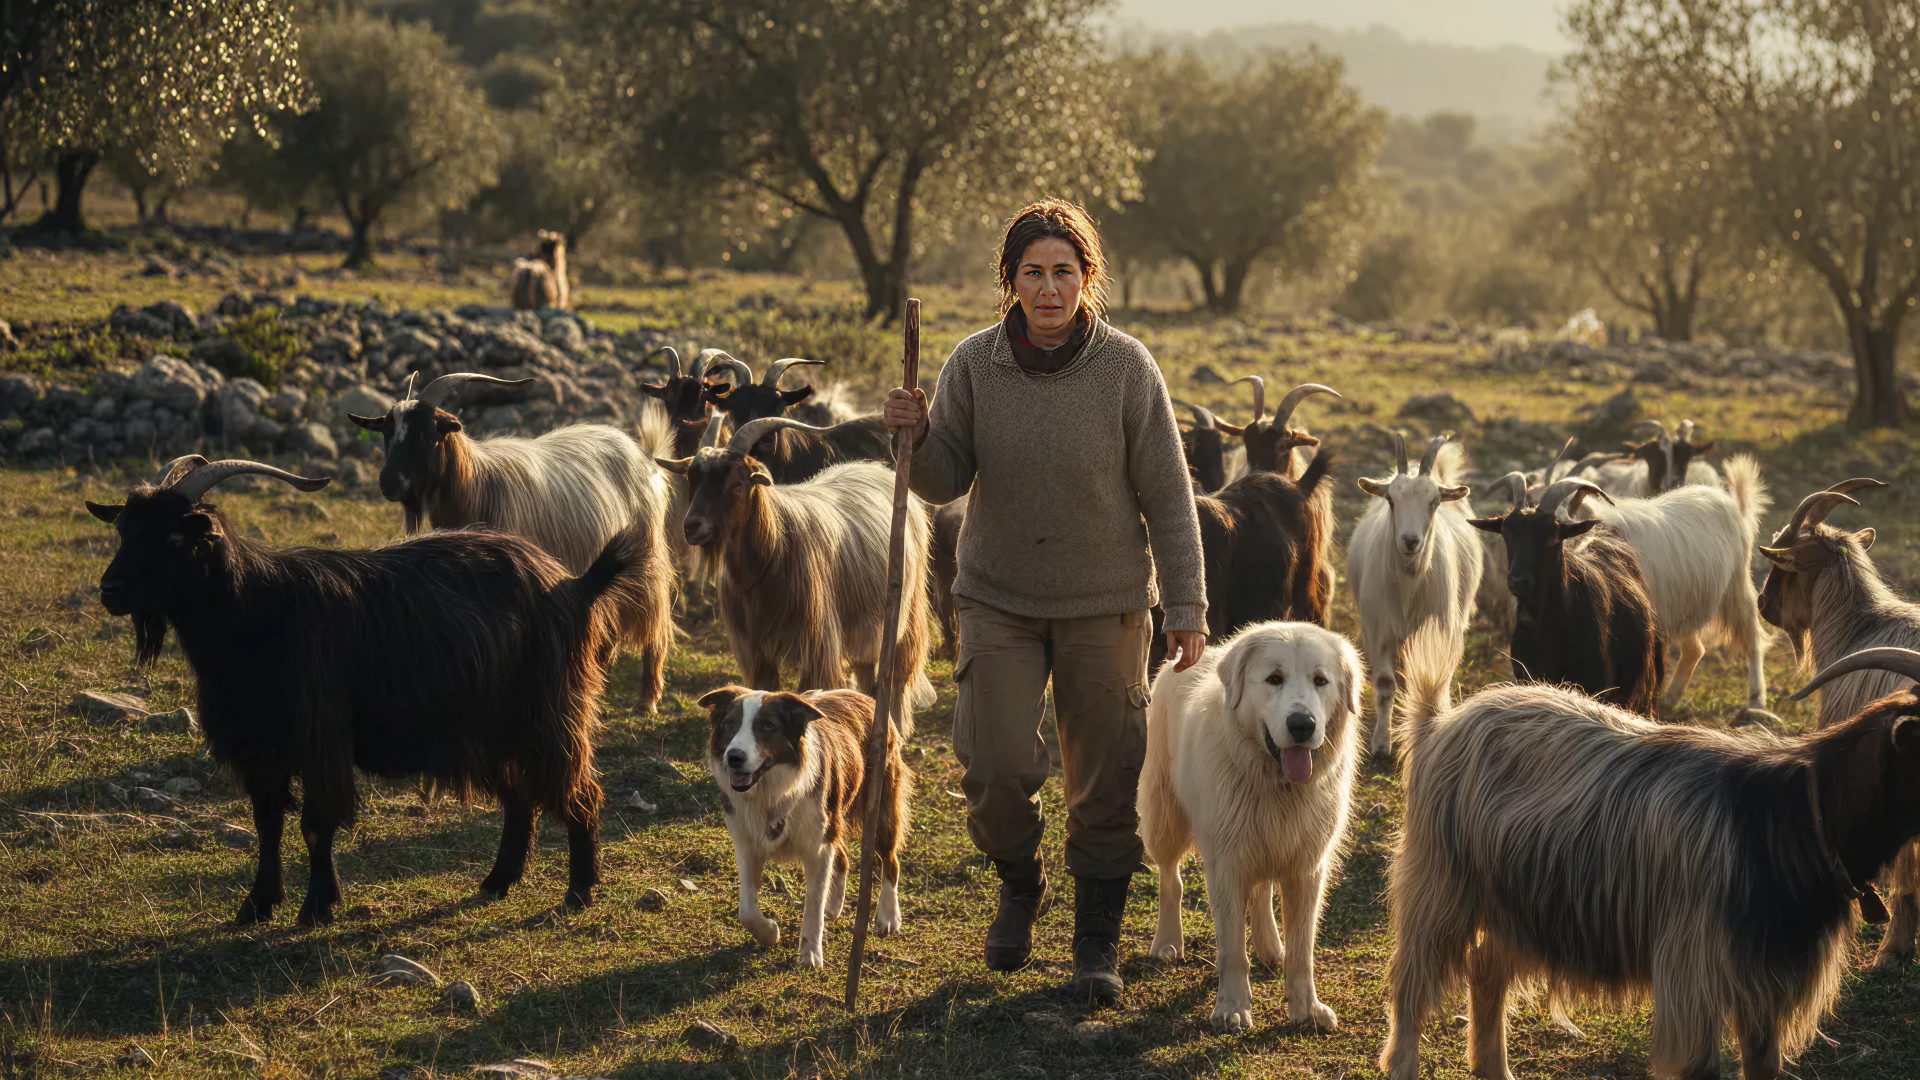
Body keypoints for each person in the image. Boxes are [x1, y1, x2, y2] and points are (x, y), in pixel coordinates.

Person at [884, 199, 1206, 1003]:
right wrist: (914, 437)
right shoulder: (972, 364)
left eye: (1065, 270)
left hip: (1106, 601)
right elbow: (943, 478)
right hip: (997, 595)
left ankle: (1096, 935)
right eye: (1034, 272)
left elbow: (1168, 496)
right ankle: (1020, 883)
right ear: (1011, 281)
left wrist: (1188, 608)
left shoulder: (1127, 368)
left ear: (1087, 278)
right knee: (991, 764)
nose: (1050, 287)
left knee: (1106, 777)